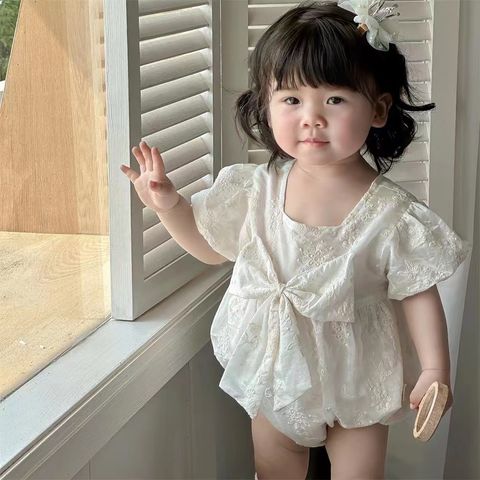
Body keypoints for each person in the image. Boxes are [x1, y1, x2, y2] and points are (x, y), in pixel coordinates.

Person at [120, 1, 473, 478]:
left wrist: (434, 370)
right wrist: (169, 206)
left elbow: (417, 293)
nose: (312, 118)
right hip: (276, 372)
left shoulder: (392, 214)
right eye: (291, 100)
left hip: (358, 375)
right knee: (274, 467)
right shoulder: (256, 190)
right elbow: (208, 247)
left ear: (378, 109)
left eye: (335, 100)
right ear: (266, 106)